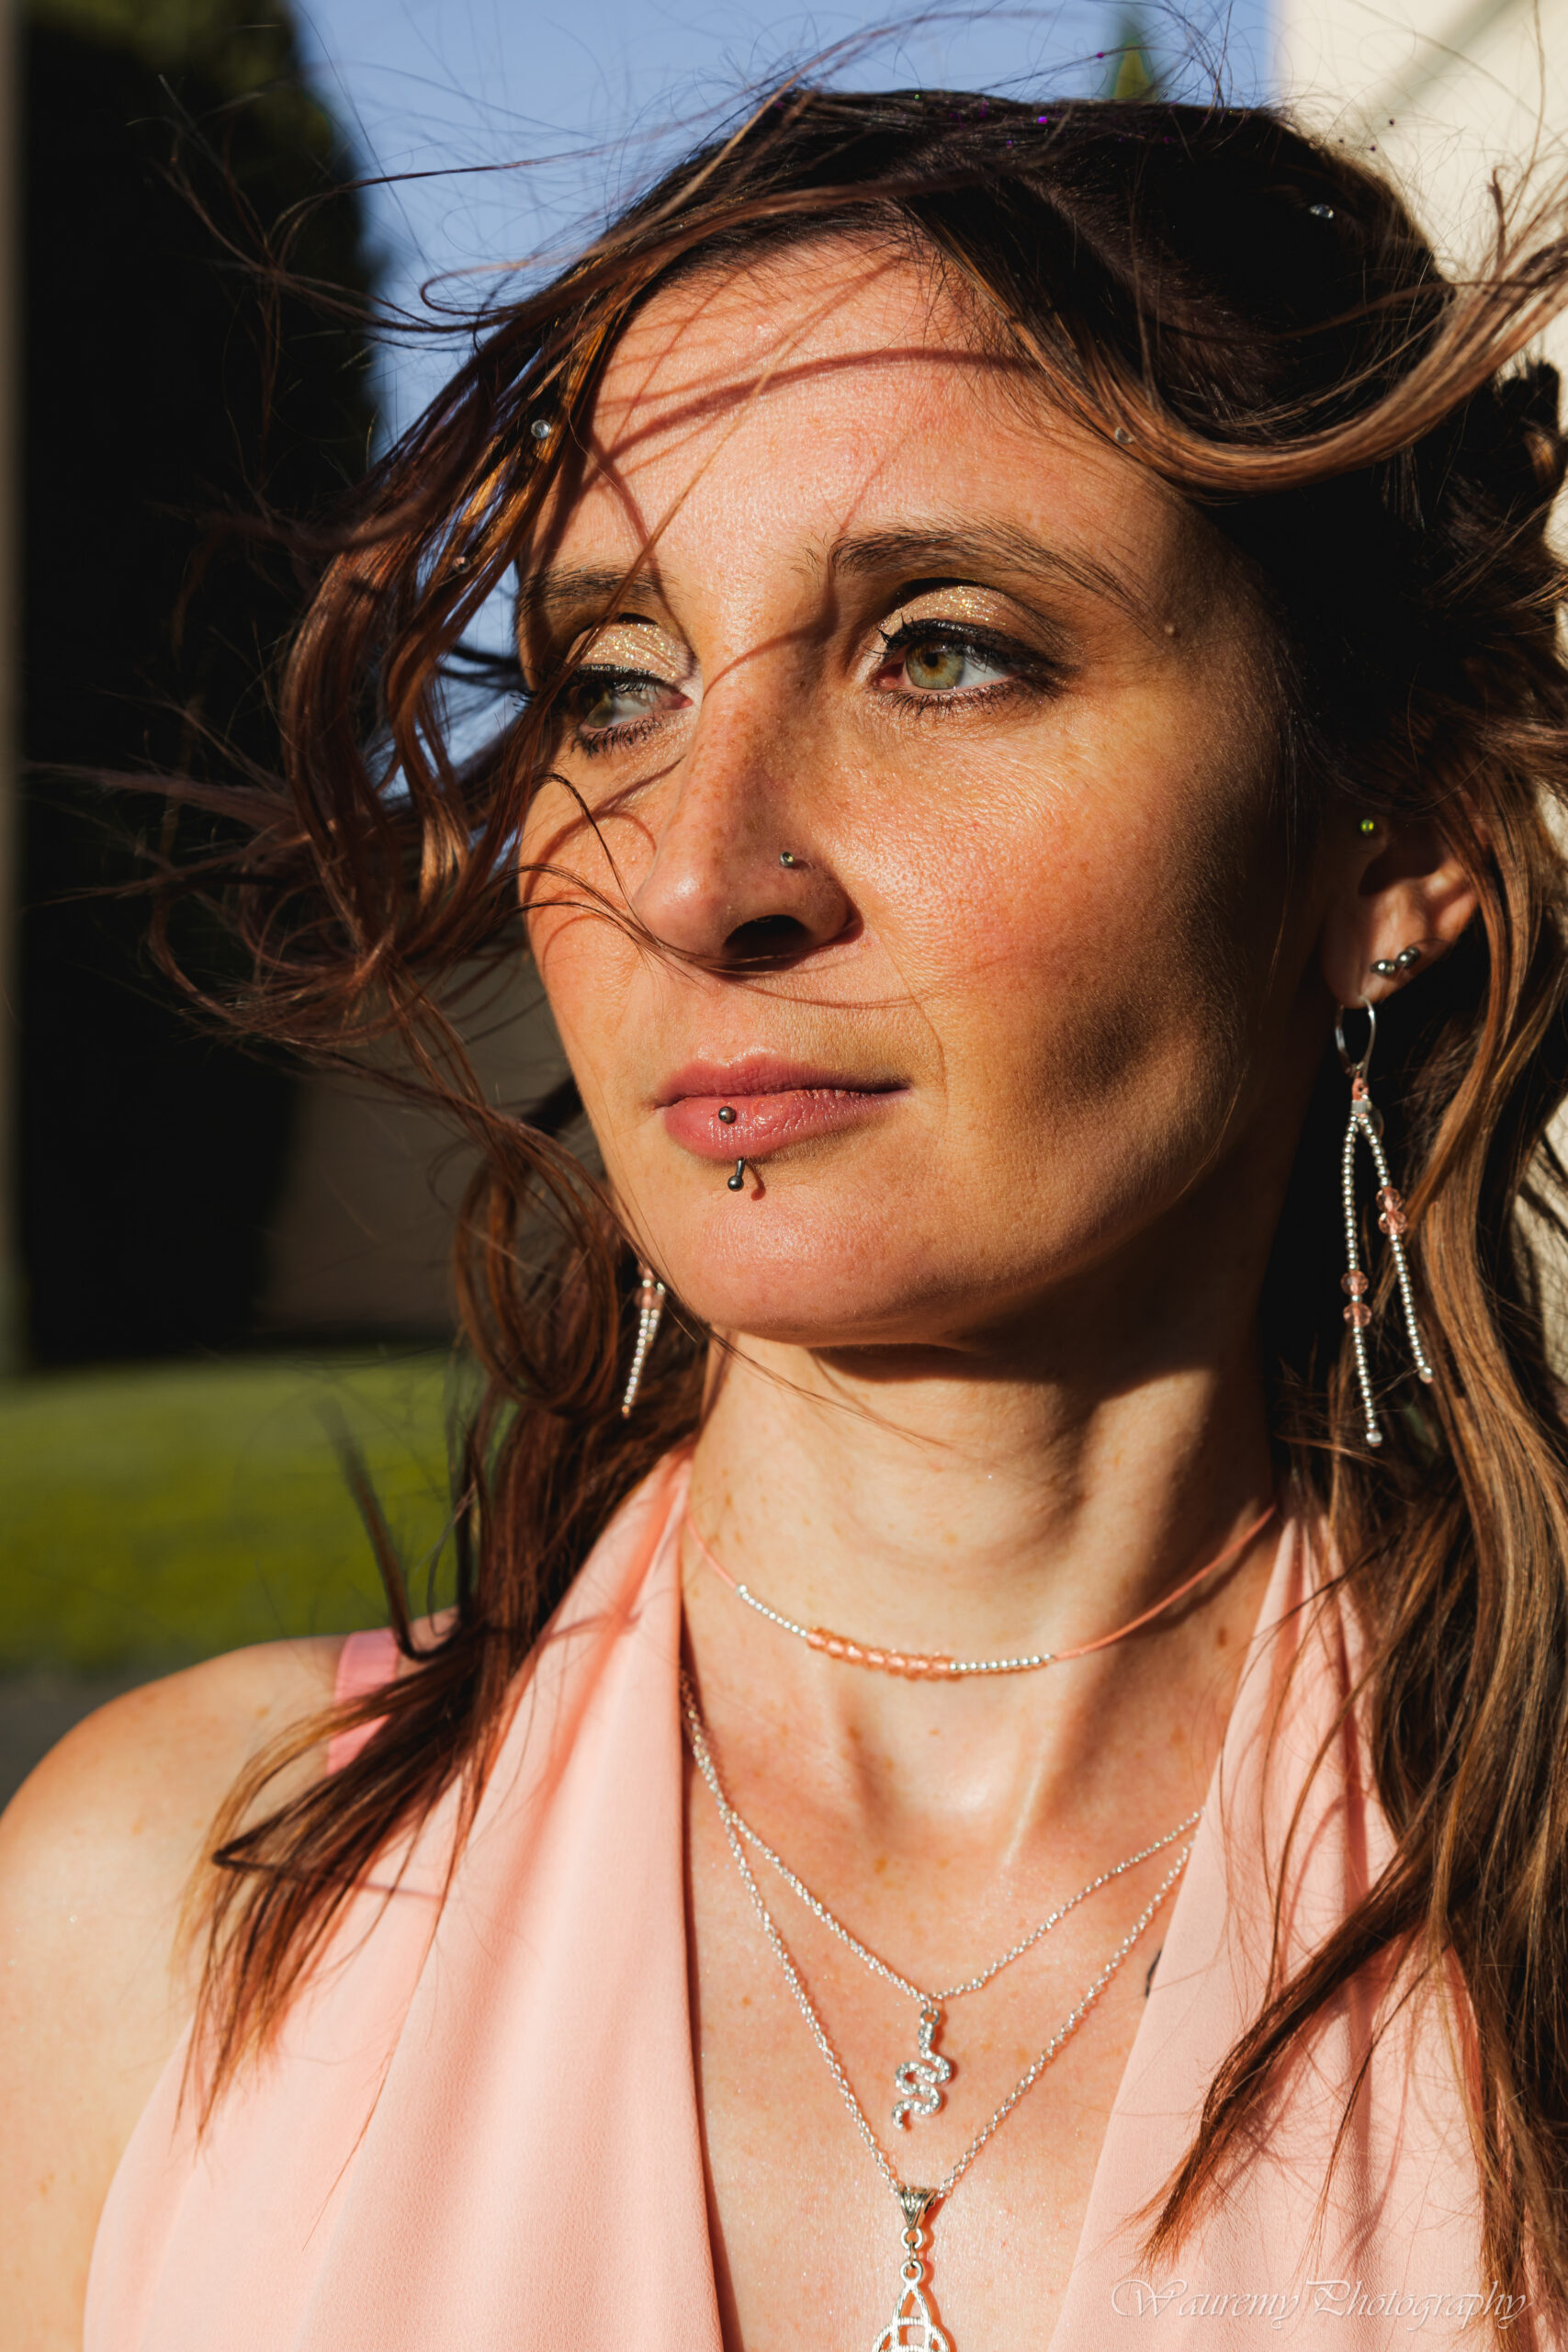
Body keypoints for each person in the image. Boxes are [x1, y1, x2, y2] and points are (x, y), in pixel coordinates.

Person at [6, 85, 1568, 2352]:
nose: (693, 868)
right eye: (612, 683)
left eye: (942, 647)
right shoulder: (159, 1914)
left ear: (1391, 834)